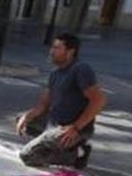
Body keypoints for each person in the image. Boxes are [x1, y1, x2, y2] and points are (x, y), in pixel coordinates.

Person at [15, 33, 107, 169]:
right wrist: (26, 117)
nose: (51, 52)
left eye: (57, 48)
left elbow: (99, 100)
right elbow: (43, 104)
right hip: (54, 123)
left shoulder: (81, 69)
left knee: (28, 156)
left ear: (70, 52)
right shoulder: (55, 74)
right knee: (21, 120)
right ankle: (64, 145)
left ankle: (75, 155)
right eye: (52, 47)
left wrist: (76, 127)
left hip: (73, 128)